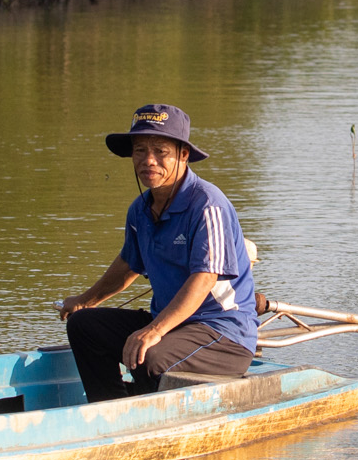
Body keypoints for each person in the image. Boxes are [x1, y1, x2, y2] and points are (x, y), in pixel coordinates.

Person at [57, 103, 260, 402]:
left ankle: (143, 415)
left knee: (148, 354)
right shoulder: (140, 210)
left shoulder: (207, 204)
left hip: (223, 335)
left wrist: (154, 330)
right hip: (173, 327)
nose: (148, 160)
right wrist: (86, 301)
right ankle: (109, 409)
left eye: (160, 151)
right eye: (140, 150)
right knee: (84, 326)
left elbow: (204, 278)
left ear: (183, 154)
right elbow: (129, 265)